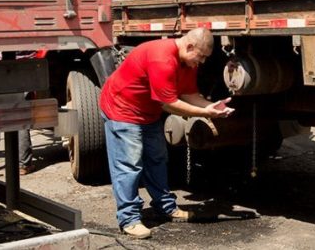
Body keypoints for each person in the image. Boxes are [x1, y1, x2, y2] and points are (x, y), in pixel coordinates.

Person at [99, 28, 234, 239]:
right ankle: (129, 219)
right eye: (201, 56)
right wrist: (205, 113)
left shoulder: (188, 61)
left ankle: (166, 207)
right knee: (129, 164)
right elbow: (169, 104)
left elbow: (189, 94)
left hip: (147, 112)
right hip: (121, 110)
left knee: (157, 157)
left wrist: (212, 106)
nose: (203, 62)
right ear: (189, 46)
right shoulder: (162, 59)